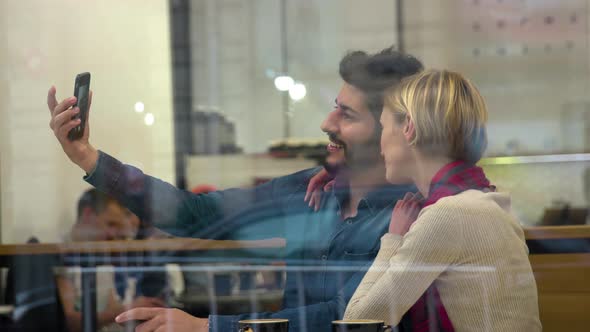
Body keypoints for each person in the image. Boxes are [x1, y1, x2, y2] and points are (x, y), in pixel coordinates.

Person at [46, 47, 423, 332]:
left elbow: (348, 317)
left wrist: (207, 327)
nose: (327, 122)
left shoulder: (416, 214)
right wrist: (90, 159)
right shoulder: (308, 190)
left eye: (348, 114)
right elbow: (192, 214)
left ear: (390, 129)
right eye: (334, 107)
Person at [341, 69, 542, 330]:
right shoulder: (482, 201)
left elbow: (356, 322)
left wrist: (393, 240)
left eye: (383, 127)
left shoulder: (449, 213)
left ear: (409, 128)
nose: (380, 144)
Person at [56, 189, 166, 332]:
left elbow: (111, 313)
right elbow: (71, 322)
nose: (113, 235)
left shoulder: (101, 254)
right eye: (110, 224)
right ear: (88, 213)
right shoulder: (58, 253)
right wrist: (130, 308)